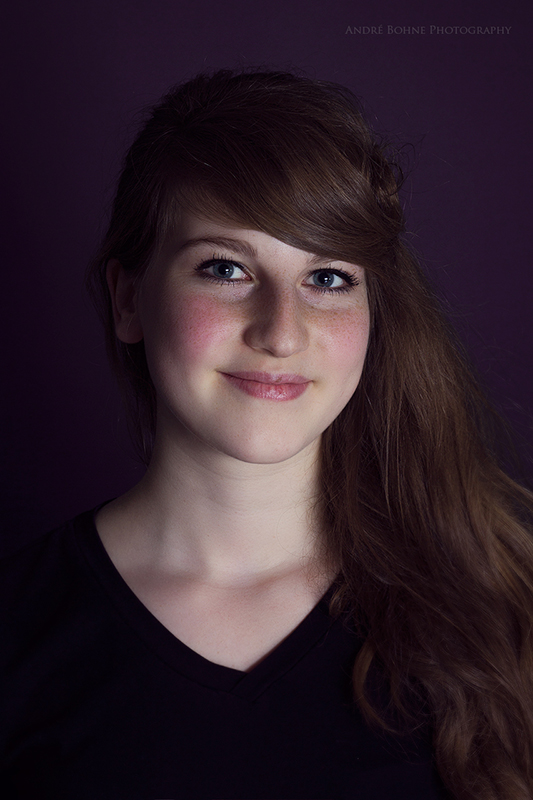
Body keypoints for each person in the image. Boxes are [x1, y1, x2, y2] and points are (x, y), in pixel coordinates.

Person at [1, 68, 532, 800]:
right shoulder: (16, 631)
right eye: (225, 268)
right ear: (128, 300)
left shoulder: (503, 614)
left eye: (328, 278)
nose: (281, 332)